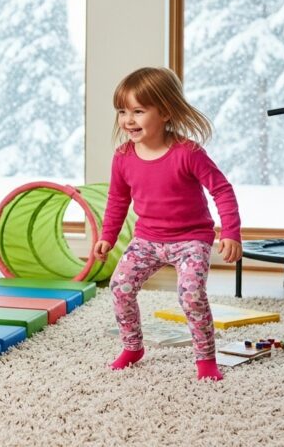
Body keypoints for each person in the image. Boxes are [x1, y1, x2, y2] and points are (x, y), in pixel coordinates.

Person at [93, 66, 241, 380]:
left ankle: (205, 360)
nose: (127, 120)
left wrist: (231, 232)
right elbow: (118, 200)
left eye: (138, 111)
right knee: (120, 287)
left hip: (191, 239)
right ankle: (133, 347)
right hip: (147, 238)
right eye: (122, 111)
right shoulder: (123, 156)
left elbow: (221, 189)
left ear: (165, 112)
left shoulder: (188, 152)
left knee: (190, 293)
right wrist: (108, 236)